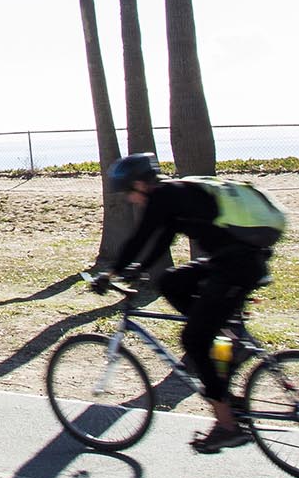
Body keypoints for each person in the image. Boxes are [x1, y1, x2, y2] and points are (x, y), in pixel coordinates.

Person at [97, 152, 283, 453]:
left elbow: (140, 237)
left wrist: (111, 272)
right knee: (170, 281)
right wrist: (136, 270)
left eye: (129, 192)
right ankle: (223, 343)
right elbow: (160, 242)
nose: (131, 199)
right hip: (233, 262)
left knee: (193, 340)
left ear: (141, 185)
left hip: (237, 268)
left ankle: (226, 426)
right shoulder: (177, 194)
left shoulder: (164, 198)